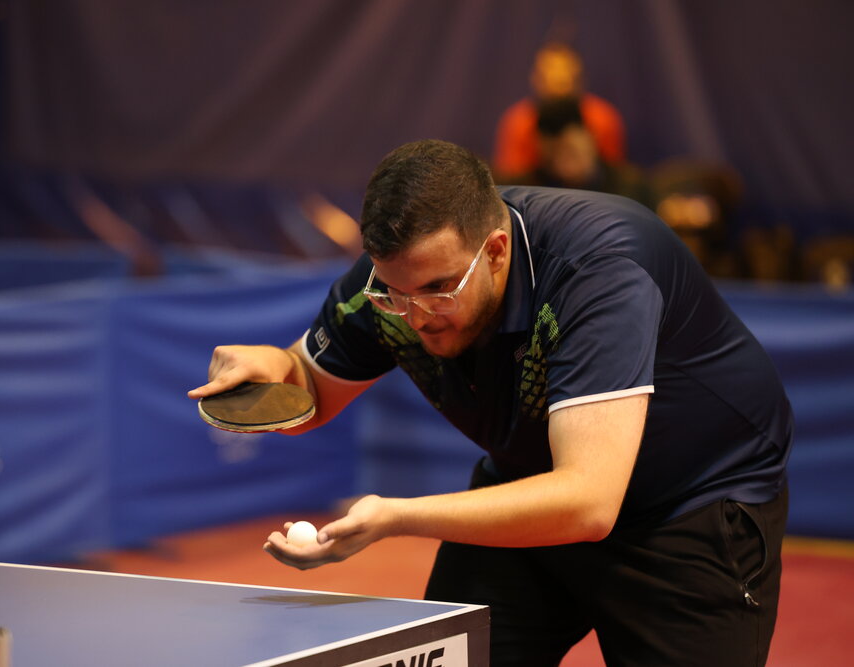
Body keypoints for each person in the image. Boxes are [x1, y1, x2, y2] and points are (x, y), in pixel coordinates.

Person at [188, 140, 793, 666]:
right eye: (396, 293)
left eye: (438, 289)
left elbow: (588, 503)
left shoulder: (598, 269)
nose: (416, 315)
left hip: (688, 509)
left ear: (496, 251)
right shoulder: (391, 285)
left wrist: (396, 517)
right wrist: (274, 365)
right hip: (530, 488)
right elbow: (310, 391)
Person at [493, 42, 626, 183]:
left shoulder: (602, 119)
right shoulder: (519, 123)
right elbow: (512, 179)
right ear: (536, 80)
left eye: (565, 82)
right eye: (550, 80)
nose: (558, 89)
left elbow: (614, 174)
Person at [517, 96, 652, 207]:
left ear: (592, 137)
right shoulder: (527, 196)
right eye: (555, 155)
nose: (565, 167)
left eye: (571, 153)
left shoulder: (631, 187)